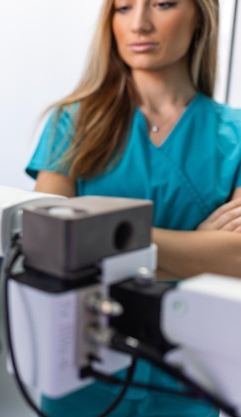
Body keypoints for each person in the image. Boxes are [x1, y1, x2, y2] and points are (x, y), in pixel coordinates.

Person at [26, 0, 241, 416]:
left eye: (163, 4)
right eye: (123, 7)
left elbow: (238, 258)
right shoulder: (73, 123)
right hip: (83, 367)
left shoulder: (235, 135)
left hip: (190, 372)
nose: (140, 23)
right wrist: (198, 249)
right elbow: (50, 248)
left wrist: (103, 241)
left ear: (201, 16)